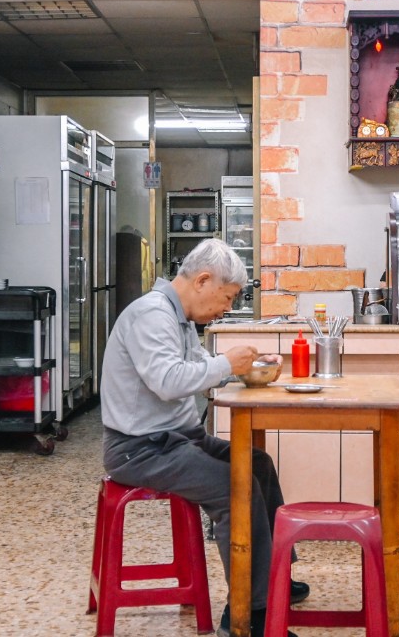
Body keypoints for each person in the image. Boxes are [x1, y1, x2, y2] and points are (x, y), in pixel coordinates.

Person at [100, 238, 308, 637]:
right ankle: (251, 613)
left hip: (178, 438)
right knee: (235, 488)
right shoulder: (152, 315)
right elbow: (168, 381)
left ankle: (272, 578)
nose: (227, 307)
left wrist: (246, 367)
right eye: (226, 298)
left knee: (257, 465)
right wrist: (226, 363)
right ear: (203, 280)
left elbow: (196, 366)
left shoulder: (178, 318)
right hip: (140, 450)